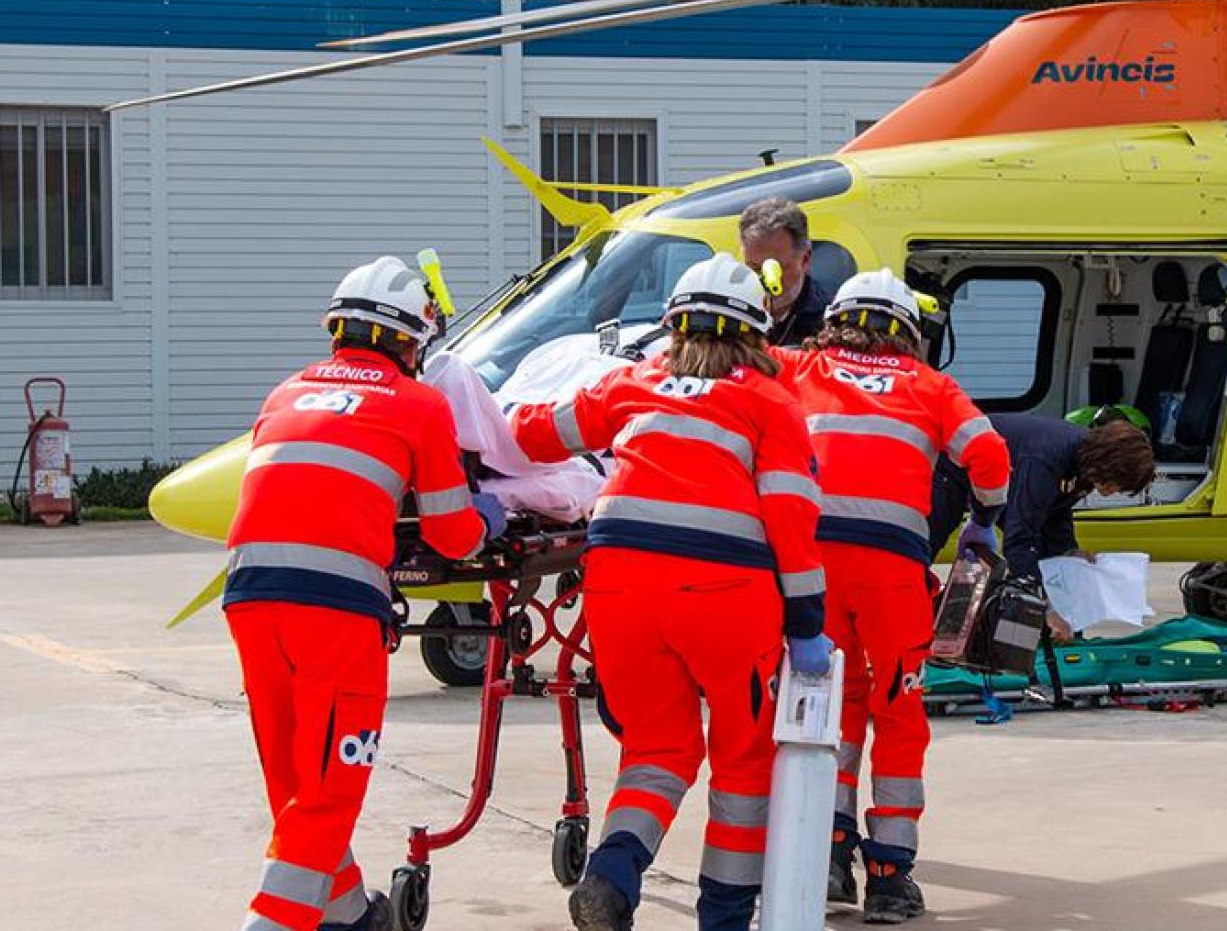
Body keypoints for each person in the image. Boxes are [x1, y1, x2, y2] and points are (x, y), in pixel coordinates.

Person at [510, 252, 832, 931]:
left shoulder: (637, 380)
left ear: (673, 326)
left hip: (618, 581)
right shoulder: (770, 401)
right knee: (744, 760)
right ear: (755, 332)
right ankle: (722, 917)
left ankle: (614, 874)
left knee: (656, 748)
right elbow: (791, 516)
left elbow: (538, 432)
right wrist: (806, 619)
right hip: (724, 590)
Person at [223, 256, 507, 931]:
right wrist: (487, 517)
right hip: (336, 606)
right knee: (332, 784)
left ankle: (348, 910)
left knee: (295, 771)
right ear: (412, 343)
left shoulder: (286, 392)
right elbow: (450, 534)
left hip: (250, 595)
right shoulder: (419, 403)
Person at [773, 270, 1010, 924]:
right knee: (898, 713)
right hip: (890, 574)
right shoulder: (931, 386)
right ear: (908, 331)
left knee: (830, 708)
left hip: (809, 568)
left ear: (837, 319)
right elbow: (988, 454)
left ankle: (826, 855)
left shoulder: (798, 366)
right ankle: (888, 876)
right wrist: (984, 520)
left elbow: (723, 370)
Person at [929, 414, 1156, 632]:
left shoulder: (1083, 461)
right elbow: (1019, 537)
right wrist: (1040, 607)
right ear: (1106, 464)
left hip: (998, 472)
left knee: (1047, 556)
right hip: (950, 466)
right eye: (1115, 484)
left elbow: (1056, 513)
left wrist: (1068, 553)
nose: (1112, 492)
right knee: (925, 545)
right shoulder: (1046, 460)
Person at [739, 196, 833, 347]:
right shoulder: (730, 314)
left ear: (805, 259)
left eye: (775, 269)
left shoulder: (830, 322)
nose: (765, 282)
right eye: (754, 268)